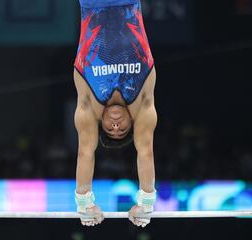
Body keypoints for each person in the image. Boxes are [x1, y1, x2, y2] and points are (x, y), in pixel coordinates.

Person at [74, 0, 157, 228]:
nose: (116, 125)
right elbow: (145, 151)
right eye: (122, 130)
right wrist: (146, 202)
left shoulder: (89, 104)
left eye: (110, 129)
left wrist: (84, 203)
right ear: (133, 121)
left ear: (99, 122)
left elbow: (85, 151)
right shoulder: (143, 102)